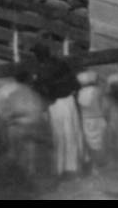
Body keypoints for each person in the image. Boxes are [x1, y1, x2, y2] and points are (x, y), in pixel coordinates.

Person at [27, 42, 83, 178]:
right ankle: (72, 167)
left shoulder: (44, 69)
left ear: (39, 56)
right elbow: (75, 82)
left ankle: (59, 169)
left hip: (56, 104)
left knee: (58, 136)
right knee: (71, 134)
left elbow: (42, 89)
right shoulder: (60, 63)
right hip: (68, 101)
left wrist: (35, 86)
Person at [76, 70, 107, 171]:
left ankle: (94, 166)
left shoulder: (80, 93)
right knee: (101, 142)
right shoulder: (99, 91)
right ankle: (101, 164)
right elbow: (104, 106)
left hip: (86, 121)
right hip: (98, 119)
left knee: (90, 143)